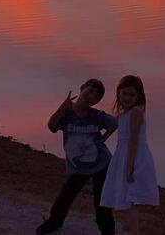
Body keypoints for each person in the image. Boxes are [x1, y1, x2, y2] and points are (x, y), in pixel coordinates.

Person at [36, 78, 117, 235]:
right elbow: (52, 126)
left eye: (96, 96)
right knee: (66, 195)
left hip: (101, 163)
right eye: (90, 91)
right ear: (82, 88)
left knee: (101, 201)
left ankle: (108, 231)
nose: (91, 96)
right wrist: (63, 106)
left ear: (96, 102)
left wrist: (104, 138)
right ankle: (53, 223)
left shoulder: (97, 116)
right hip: (78, 166)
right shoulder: (67, 114)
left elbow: (114, 124)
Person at [98, 75, 157, 234]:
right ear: (118, 93)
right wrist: (99, 140)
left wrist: (130, 168)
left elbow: (133, 141)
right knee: (123, 197)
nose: (128, 98)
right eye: (125, 93)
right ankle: (128, 228)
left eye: (132, 95)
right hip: (122, 156)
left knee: (128, 200)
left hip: (133, 157)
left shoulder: (136, 112)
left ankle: (134, 230)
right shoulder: (123, 115)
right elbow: (111, 129)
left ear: (139, 97)